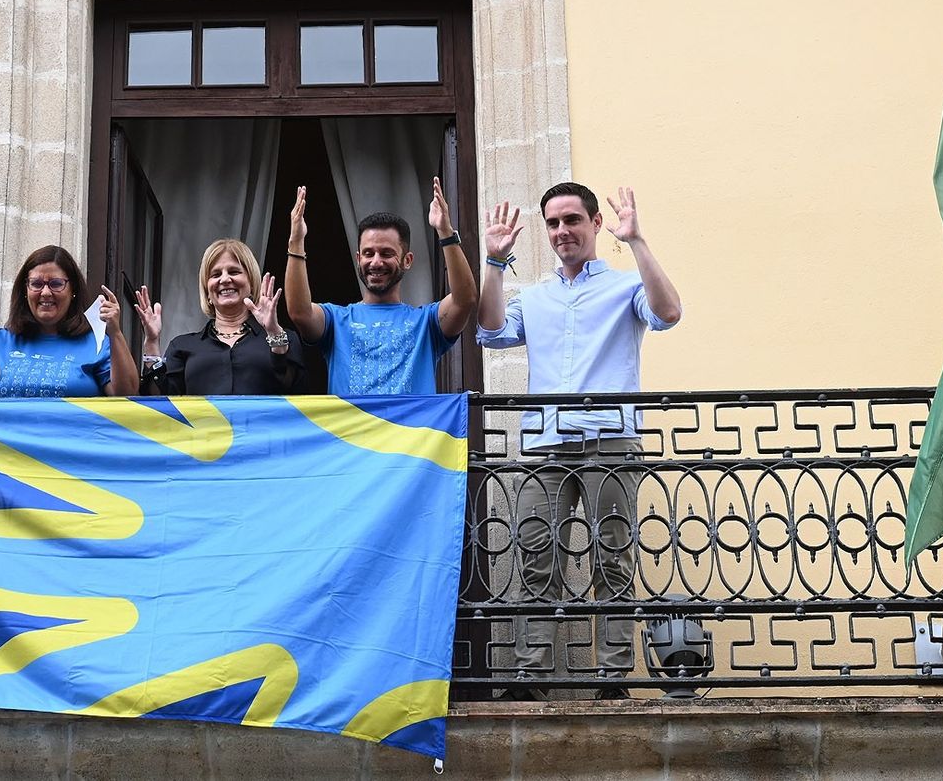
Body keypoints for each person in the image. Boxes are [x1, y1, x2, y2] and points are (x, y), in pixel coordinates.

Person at [476, 182, 682, 698]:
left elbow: (669, 313)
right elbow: (490, 329)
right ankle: (531, 676)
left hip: (610, 438)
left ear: (594, 224)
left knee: (613, 559)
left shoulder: (622, 286)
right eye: (552, 223)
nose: (562, 231)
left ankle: (612, 679)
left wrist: (637, 241)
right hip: (546, 444)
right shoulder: (535, 296)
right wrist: (495, 263)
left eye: (572, 220)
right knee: (534, 556)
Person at [284, 177, 476, 395]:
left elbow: (464, 299)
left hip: (408, 430)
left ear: (408, 260)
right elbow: (299, 312)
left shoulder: (425, 322)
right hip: (351, 430)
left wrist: (446, 233)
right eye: (368, 253)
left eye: (386, 253)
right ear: (358, 259)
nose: (375, 262)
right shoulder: (337, 320)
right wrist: (296, 241)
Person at [0, 245, 139, 398]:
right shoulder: (4, 341)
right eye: (36, 284)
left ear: (73, 292)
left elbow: (126, 394)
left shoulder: (96, 344)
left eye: (56, 284)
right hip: (6, 450)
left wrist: (115, 333)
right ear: (25, 291)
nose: (45, 292)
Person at [133, 238, 304, 395]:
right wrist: (152, 341)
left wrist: (274, 335)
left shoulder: (286, 338)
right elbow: (159, 404)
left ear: (251, 284)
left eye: (234, 271)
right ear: (207, 292)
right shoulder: (182, 345)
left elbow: (296, 393)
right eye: (215, 275)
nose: (225, 279)